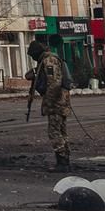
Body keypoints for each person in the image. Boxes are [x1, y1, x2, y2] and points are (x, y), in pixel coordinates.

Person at [26, 41, 72, 169]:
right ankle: (64, 159)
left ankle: (62, 161)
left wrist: (49, 101)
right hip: (60, 100)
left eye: (33, 55)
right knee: (61, 130)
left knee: (54, 131)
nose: (33, 58)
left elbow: (54, 82)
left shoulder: (49, 60)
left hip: (56, 101)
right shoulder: (48, 59)